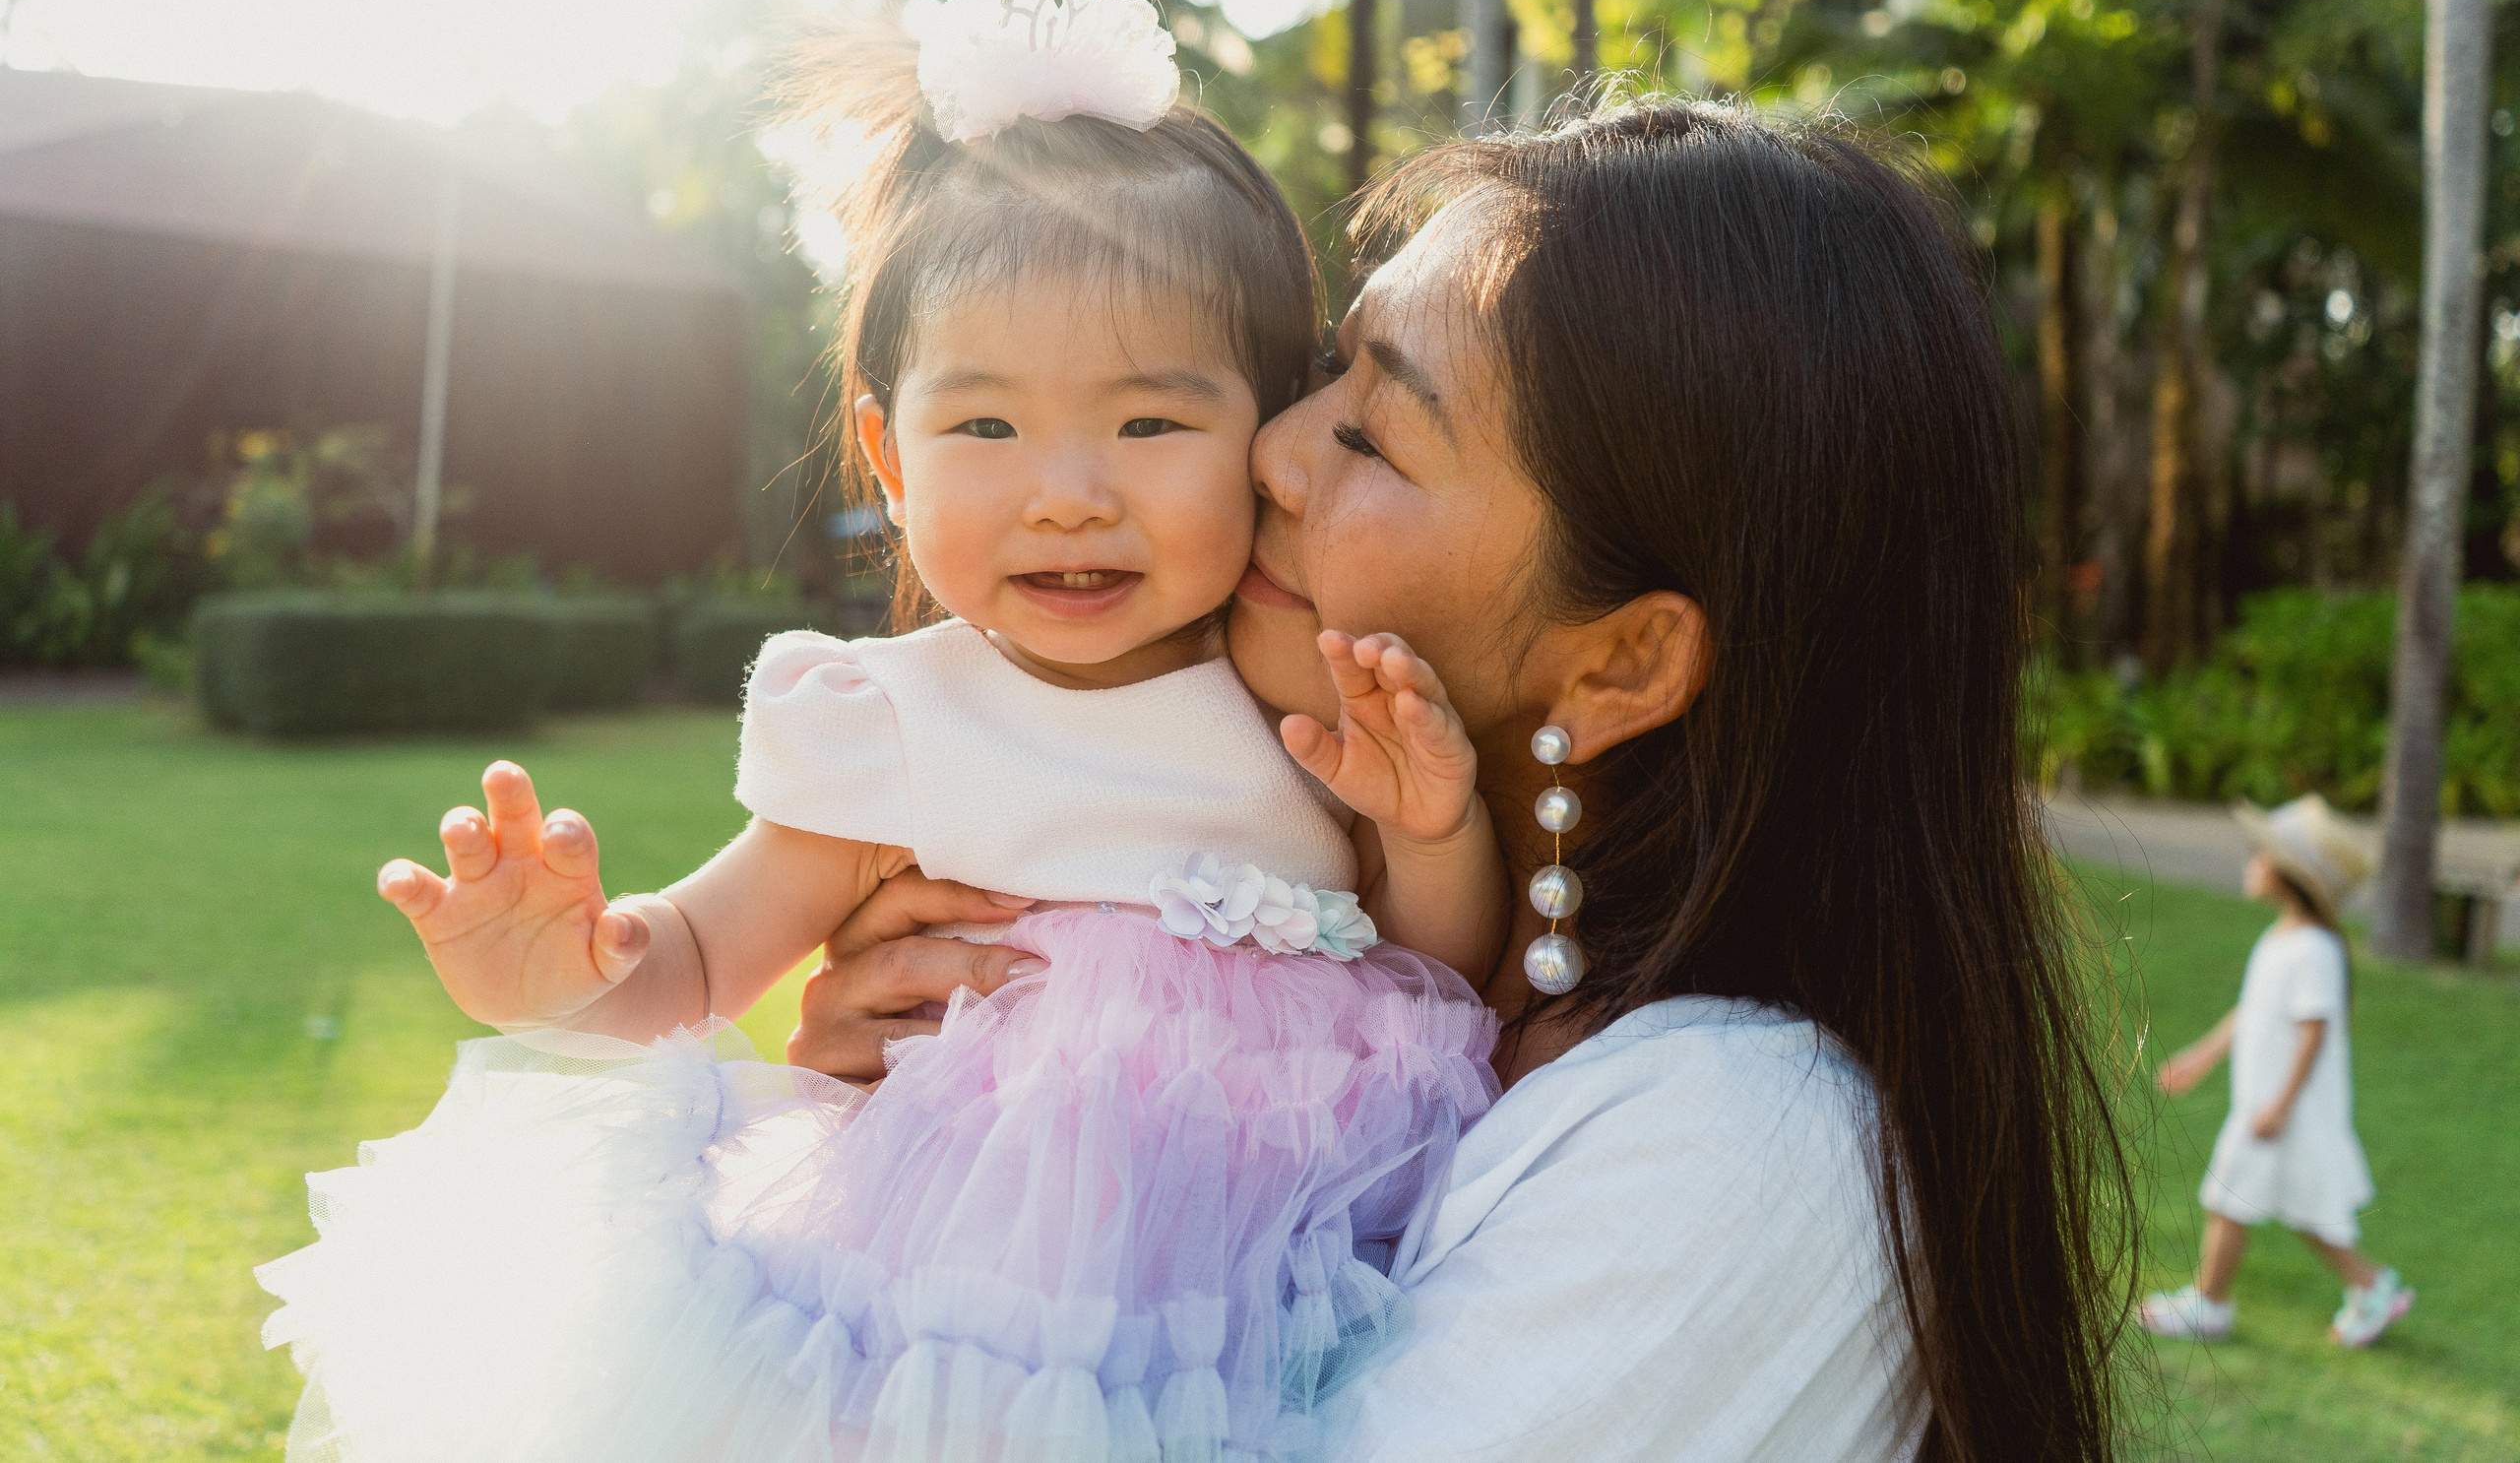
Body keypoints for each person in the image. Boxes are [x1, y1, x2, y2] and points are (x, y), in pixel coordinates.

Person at [256, 0, 1506, 1463]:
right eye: (984, 422)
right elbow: (716, 946)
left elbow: (1430, 976)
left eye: (1153, 419)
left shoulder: (1298, 695)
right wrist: (572, 966)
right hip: (935, 1307)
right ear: (890, 456)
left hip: (1250, 1310)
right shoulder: (893, 720)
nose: (1067, 490)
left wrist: (1434, 828)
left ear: (1268, 426)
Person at [790, 98, 2136, 1459]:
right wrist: (924, 1138)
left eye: (1374, 436)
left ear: (1618, 663)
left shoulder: (1742, 1146)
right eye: (1327, 367)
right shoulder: (1282, 965)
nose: (1269, 444)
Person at [2141, 794, 2413, 1349]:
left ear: (2289, 876)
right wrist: (2201, 1057)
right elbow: (2254, 1012)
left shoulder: (2312, 948)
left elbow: (2314, 1033)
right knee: (2301, 1210)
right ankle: (2371, 1286)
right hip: (2267, 1106)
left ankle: (2209, 1306)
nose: (2250, 864)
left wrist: (2279, 1106)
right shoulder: (2283, 938)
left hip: (2277, 1110)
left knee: (2227, 1199)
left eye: (2258, 855)